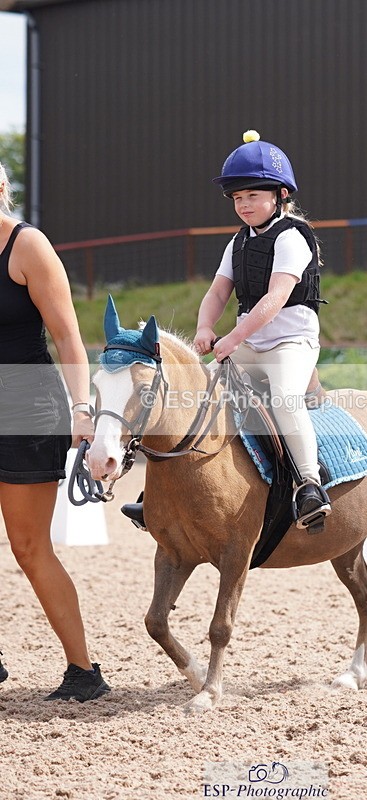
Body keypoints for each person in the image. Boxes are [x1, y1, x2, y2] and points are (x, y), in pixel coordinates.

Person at [0, 162, 110, 701]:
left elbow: (68, 337)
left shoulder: (28, 246)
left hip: (27, 409)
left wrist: (83, 409)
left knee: (28, 546)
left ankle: (83, 672)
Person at [196, 130, 331, 529]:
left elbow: (275, 298)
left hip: (290, 343)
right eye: (238, 198)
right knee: (195, 396)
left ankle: (310, 484)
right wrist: (205, 326)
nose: (244, 205)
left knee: (286, 400)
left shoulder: (293, 238)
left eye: (253, 195)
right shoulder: (236, 243)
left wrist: (231, 338)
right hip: (248, 343)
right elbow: (218, 292)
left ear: (280, 196)